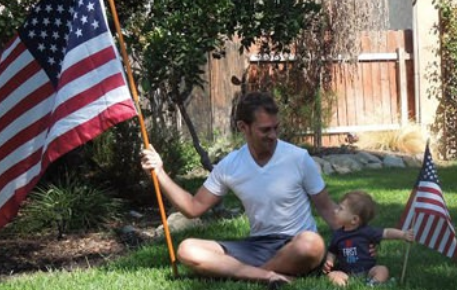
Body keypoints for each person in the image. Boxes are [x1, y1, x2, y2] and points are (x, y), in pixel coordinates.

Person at [140, 91, 342, 287]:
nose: (273, 135)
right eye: (265, 130)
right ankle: (268, 276)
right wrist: (159, 172)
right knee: (187, 249)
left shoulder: (298, 158)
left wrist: (352, 249)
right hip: (257, 246)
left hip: (297, 243)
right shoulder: (231, 165)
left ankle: (250, 274)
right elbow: (193, 208)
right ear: (243, 127)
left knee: (312, 244)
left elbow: (327, 210)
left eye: (276, 128)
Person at [322, 190, 414, 287]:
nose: (335, 210)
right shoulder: (338, 235)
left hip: (368, 270)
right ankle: (344, 285)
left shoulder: (367, 231)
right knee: (332, 275)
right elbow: (332, 251)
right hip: (346, 273)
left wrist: (403, 235)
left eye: (340, 209)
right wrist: (329, 261)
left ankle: (373, 283)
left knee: (382, 269)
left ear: (354, 219)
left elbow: (386, 232)